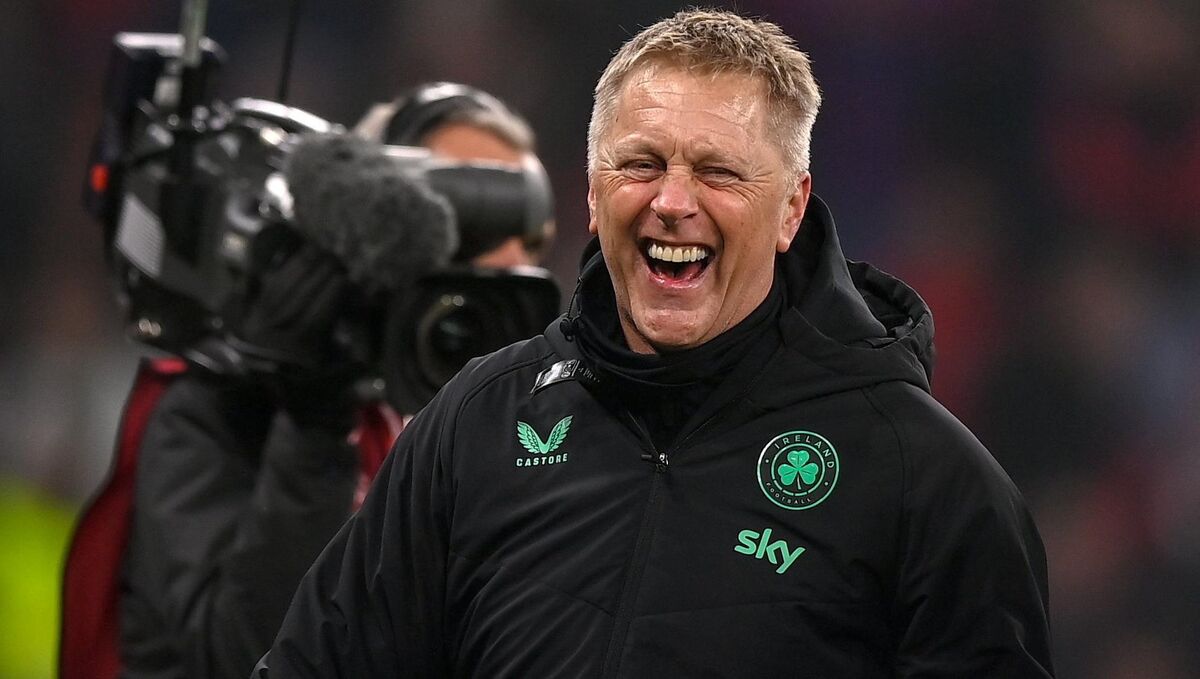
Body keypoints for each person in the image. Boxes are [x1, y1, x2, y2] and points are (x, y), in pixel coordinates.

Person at [255, 10, 1054, 678]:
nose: (673, 201)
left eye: (719, 172)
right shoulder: (477, 422)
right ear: (594, 193)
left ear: (791, 208)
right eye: (641, 164)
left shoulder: (926, 480)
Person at [58, 82, 551, 679]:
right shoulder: (220, 403)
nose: (503, 258)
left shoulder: (501, 434)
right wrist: (315, 426)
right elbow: (244, 660)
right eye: (461, 217)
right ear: (367, 226)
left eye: (524, 235)